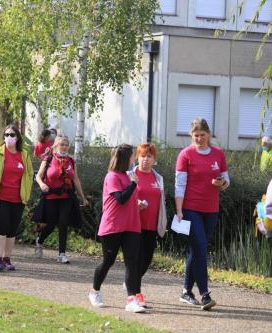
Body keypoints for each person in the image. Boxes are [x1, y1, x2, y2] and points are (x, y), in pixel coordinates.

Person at [175, 118, 229, 311]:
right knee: (200, 247)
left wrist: (221, 183)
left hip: (211, 209)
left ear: (209, 134)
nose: (199, 138)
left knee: (196, 250)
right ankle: (205, 294)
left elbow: (226, 181)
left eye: (202, 135)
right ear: (192, 136)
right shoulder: (185, 155)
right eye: (196, 135)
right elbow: (179, 185)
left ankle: (186, 292)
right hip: (191, 208)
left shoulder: (218, 154)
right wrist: (179, 210)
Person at [88, 144, 145, 313]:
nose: (134, 159)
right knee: (108, 261)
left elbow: (128, 200)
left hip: (132, 225)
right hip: (113, 225)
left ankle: (131, 300)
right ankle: (94, 291)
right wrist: (134, 184)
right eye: (133, 156)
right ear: (125, 158)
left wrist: (138, 204)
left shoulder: (128, 176)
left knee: (132, 262)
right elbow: (120, 198)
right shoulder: (112, 177)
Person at [0, 125, 33, 272]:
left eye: (12, 134)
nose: (9, 137)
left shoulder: (24, 155)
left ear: (18, 137)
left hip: (18, 199)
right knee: (1, 227)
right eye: (6, 134)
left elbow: (29, 174)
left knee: (11, 230)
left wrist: (26, 191)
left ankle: (7, 259)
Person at [34, 134, 88, 263]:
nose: (64, 147)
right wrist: (42, 184)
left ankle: (62, 254)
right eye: (62, 144)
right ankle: (40, 241)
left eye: (66, 144)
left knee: (63, 223)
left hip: (66, 196)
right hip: (51, 195)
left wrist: (83, 197)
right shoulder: (48, 158)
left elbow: (75, 178)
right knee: (51, 224)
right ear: (56, 145)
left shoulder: (71, 160)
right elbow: (38, 176)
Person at [130, 143, 167, 307]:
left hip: (152, 225)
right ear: (137, 157)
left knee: (147, 259)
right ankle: (136, 293)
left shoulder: (158, 178)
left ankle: (131, 282)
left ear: (154, 159)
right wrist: (135, 202)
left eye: (149, 156)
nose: (145, 159)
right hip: (133, 224)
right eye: (142, 156)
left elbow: (161, 201)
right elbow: (123, 196)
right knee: (136, 259)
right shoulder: (130, 175)